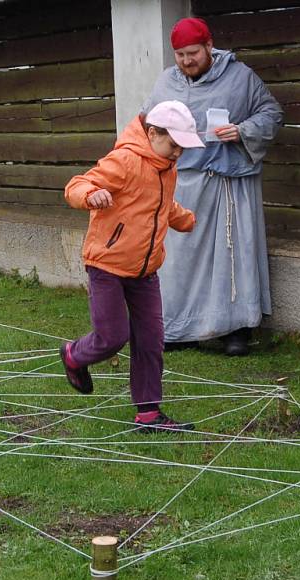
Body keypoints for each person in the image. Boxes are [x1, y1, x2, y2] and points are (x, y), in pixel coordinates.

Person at [61, 100, 204, 433]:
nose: (178, 154)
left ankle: (149, 414)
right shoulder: (125, 160)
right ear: (153, 133)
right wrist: (90, 194)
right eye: (173, 145)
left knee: (151, 340)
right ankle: (73, 355)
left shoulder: (167, 166)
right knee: (112, 336)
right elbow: (76, 185)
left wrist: (184, 219)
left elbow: (158, 205)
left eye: (183, 148)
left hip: (145, 271)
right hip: (107, 265)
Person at [143, 18, 283, 356]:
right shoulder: (166, 82)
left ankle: (235, 330)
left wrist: (244, 130)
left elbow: (272, 112)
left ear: (209, 46)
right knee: (179, 261)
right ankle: (181, 328)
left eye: (192, 52)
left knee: (232, 256)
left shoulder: (240, 77)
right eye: (180, 55)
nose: (187, 61)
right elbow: (145, 123)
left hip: (227, 183)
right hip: (183, 185)